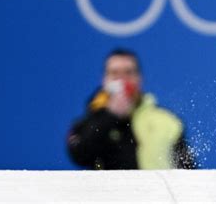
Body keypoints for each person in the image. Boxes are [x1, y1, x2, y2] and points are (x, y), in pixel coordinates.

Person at [67, 49, 195, 170]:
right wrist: (110, 115)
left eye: (128, 73)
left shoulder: (166, 121)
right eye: (115, 73)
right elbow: (79, 155)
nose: (122, 80)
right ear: (104, 80)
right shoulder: (90, 121)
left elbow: (187, 171)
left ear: (139, 79)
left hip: (154, 192)